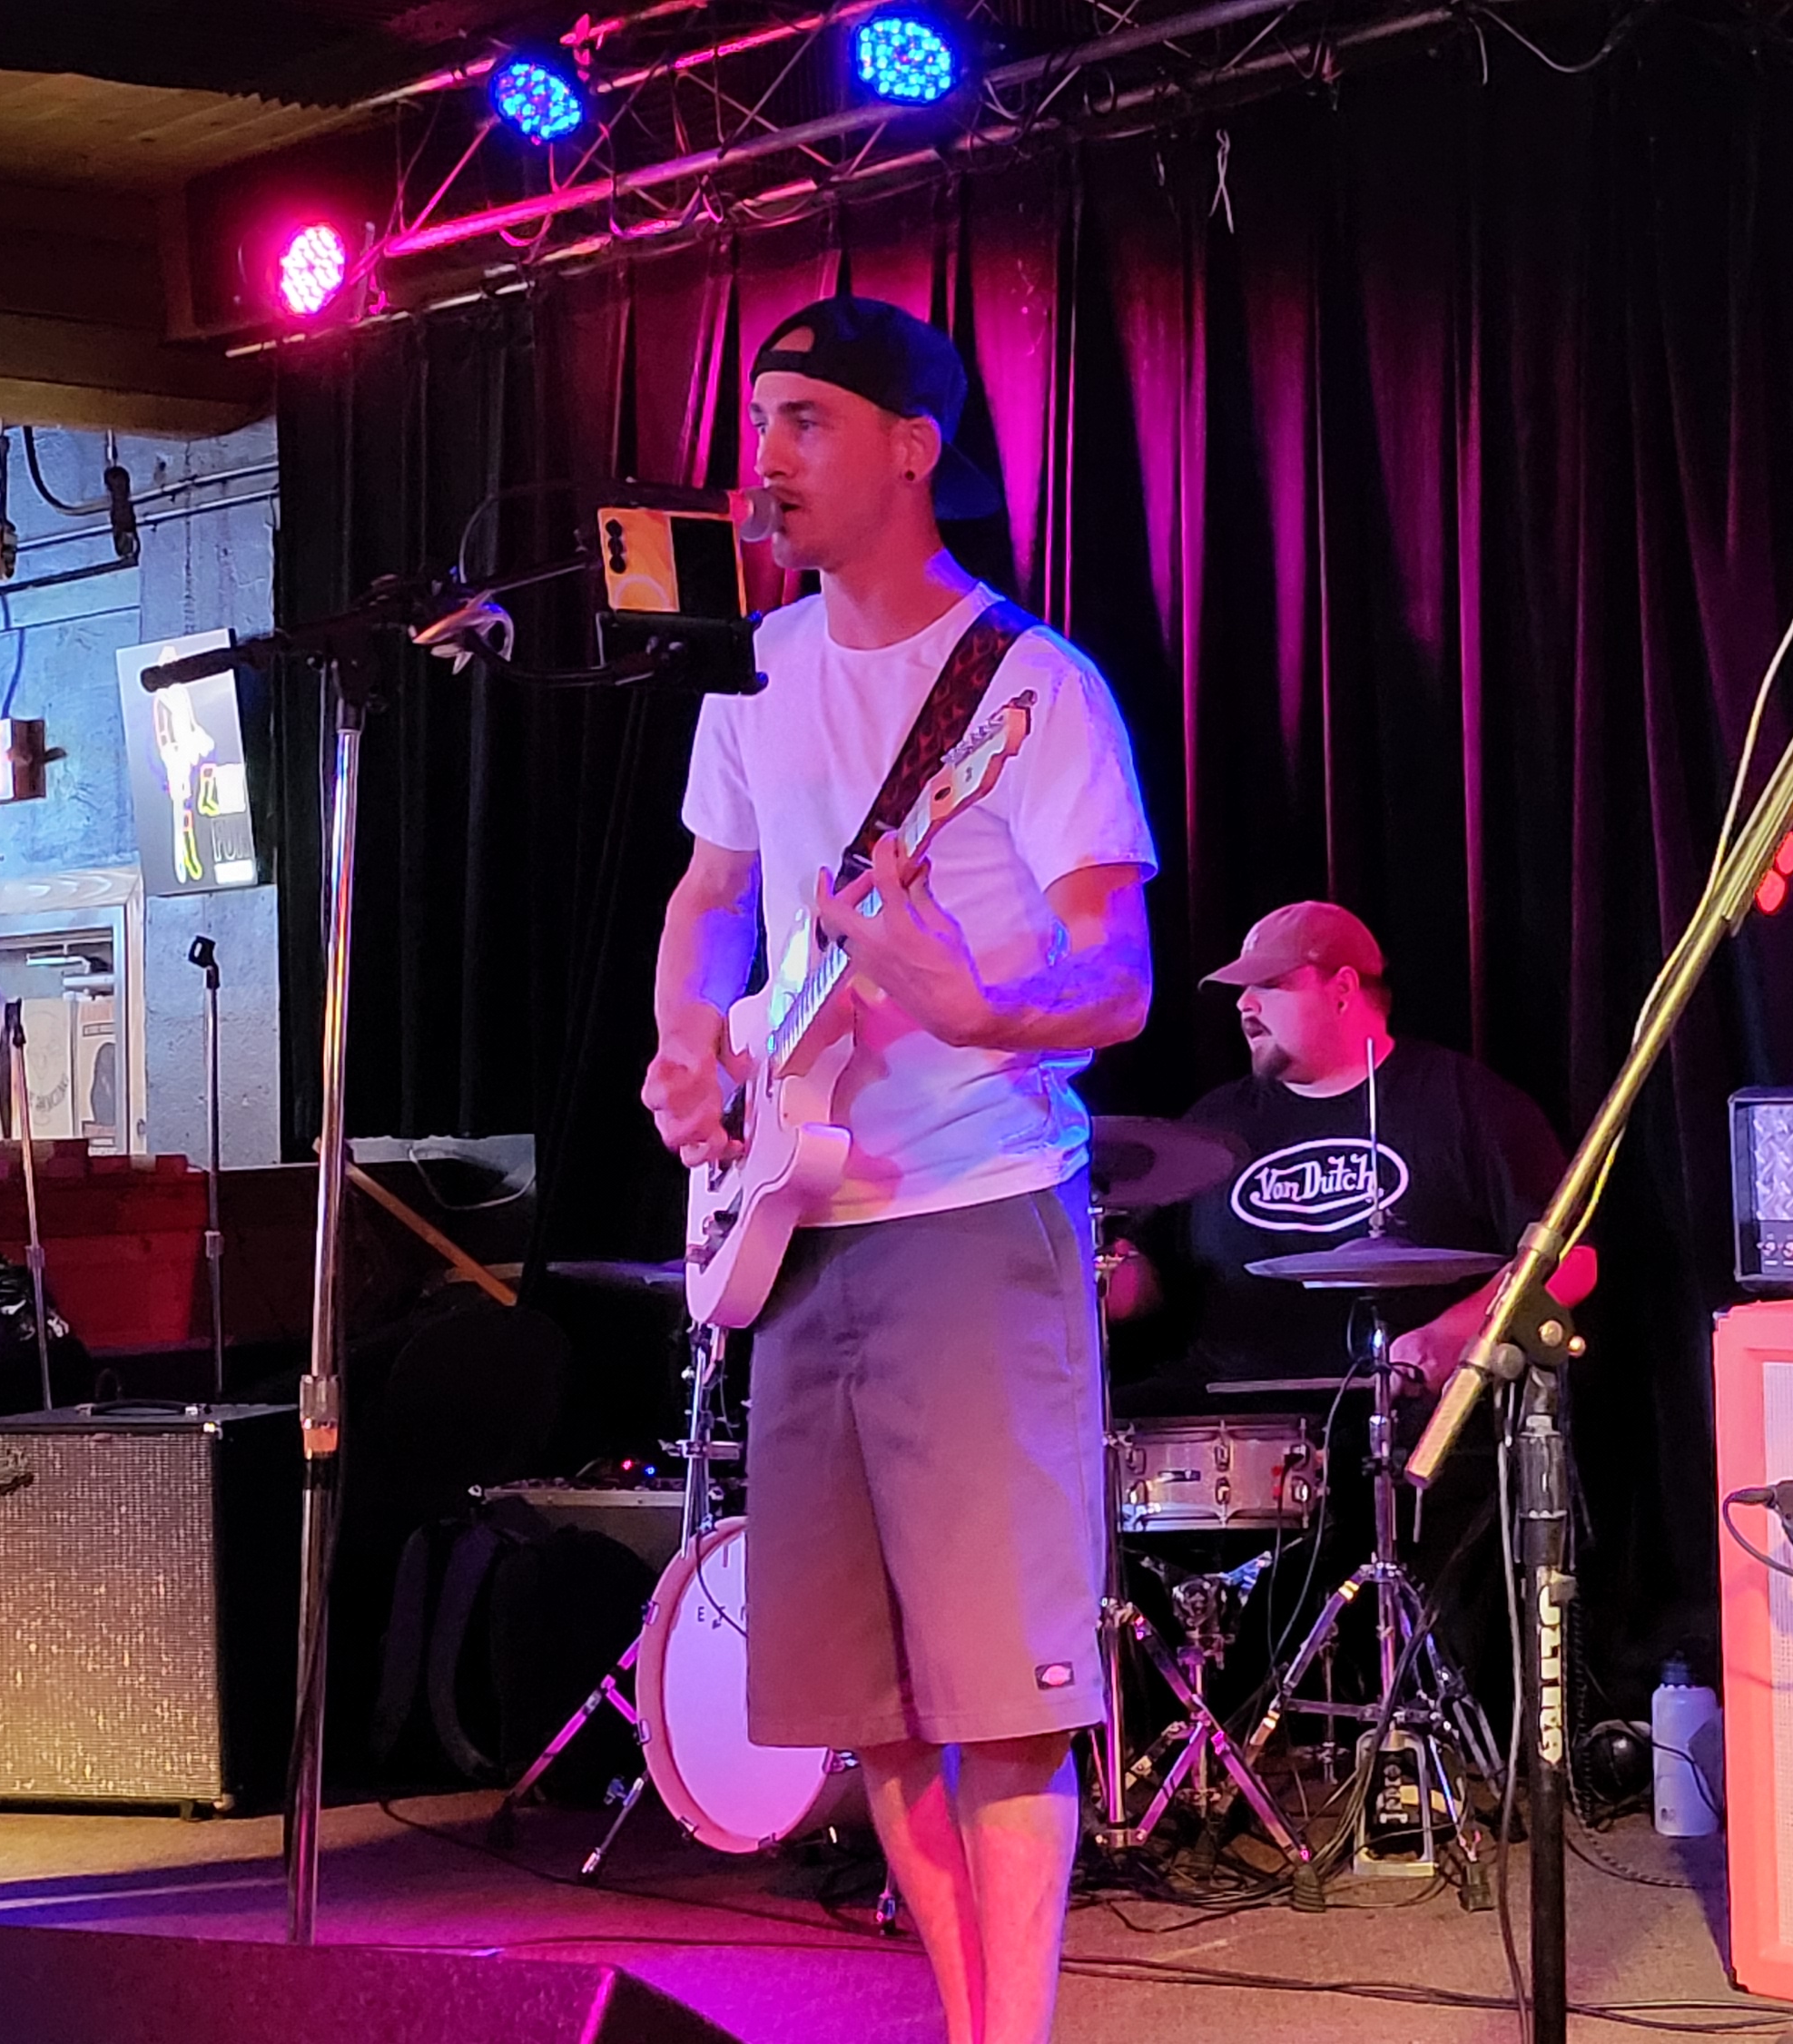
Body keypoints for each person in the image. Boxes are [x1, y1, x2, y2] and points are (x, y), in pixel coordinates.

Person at [640, 296, 1155, 2044]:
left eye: (804, 420)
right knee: (869, 1712)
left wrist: (976, 1001)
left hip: (974, 1212)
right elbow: (711, 899)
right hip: (801, 1231)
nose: (765, 458)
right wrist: (687, 1043)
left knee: (999, 1704)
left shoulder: (1032, 685)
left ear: (914, 446)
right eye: (758, 423)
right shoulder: (754, 667)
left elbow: (1121, 976)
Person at [1105, 900, 1597, 1404]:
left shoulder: (1466, 1103)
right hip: (1230, 1417)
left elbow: (1573, 1260)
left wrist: (1454, 1334)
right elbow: (1151, 1279)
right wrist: (1096, 1283)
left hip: (1406, 1415)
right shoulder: (1215, 1123)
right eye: (1243, 990)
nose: (1244, 1005)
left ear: (1342, 990)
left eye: (1269, 985)